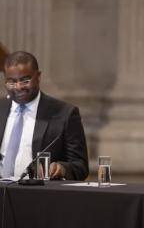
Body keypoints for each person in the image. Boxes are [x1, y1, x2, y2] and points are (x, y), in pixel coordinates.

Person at [0, 51, 88, 180]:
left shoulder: (65, 113)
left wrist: (62, 169)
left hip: (39, 194)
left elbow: (80, 167)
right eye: (11, 82)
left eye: (25, 81)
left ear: (38, 76)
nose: (18, 87)